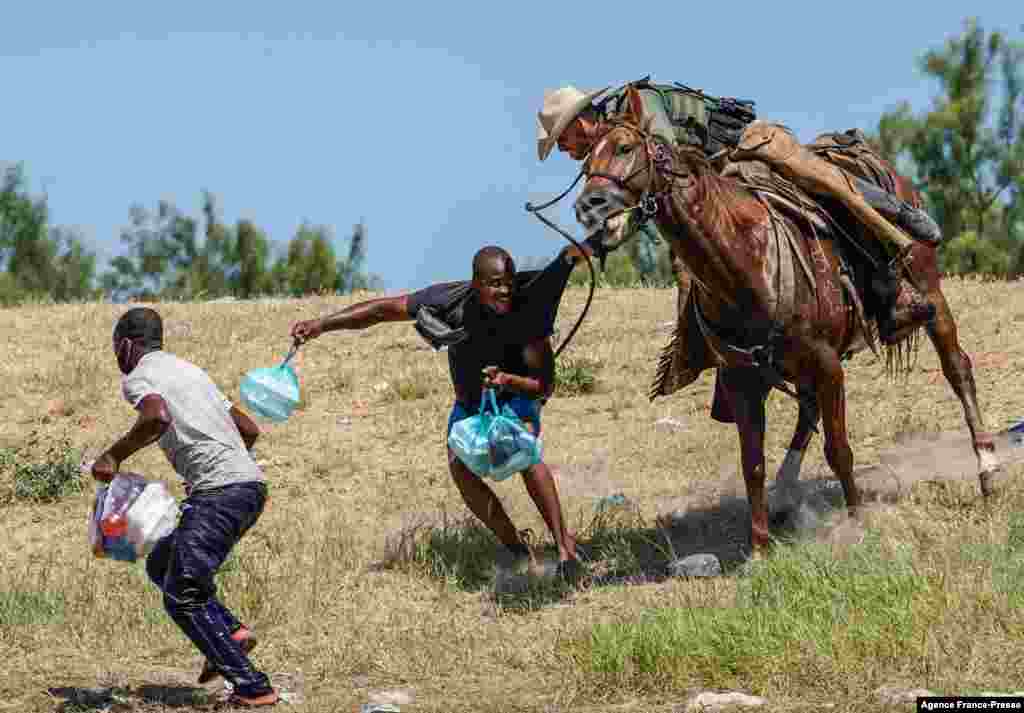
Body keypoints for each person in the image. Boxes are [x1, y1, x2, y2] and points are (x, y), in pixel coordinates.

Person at [536, 80, 941, 346]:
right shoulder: (607, 151)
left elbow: (666, 167)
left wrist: (627, 219)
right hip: (709, 186)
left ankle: (896, 227)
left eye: (562, 138)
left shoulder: (637, 103)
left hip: (743, 149)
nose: (563, 149)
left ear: (581, 121)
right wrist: (599, 239)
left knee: (820, 182)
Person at [290, 242, 597, 579]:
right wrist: (322, 324)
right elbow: (381, 310)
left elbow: (545, 386)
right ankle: (517, 550)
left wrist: (507, 380)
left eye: (508, 281)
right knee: (459, 466)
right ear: (476, 283)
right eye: (495, 283)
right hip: (470, 405)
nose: (505, 290)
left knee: (522, 450)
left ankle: (565, 551)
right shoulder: (448, 300)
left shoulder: (529, 303)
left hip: (517, 395)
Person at [92, 307, 277, 706]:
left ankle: (253, 689)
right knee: (163, 563)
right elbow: (248, 428)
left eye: (115, 349)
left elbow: (156, 417)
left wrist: (113, 456)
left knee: (183, 594)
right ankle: (230, 634)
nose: (116, 359)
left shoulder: (139, 375)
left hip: (220, 493)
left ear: (125, 345)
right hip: (249, 487)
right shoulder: (191, 371)